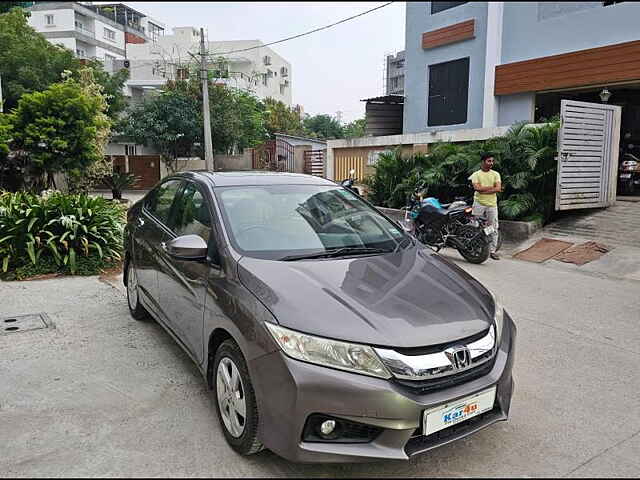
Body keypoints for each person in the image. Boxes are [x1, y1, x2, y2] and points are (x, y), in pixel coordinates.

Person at [469, 154, 502, 260]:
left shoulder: (496, 174)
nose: (491, 163)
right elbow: (477, 188)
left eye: (492, 161)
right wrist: (492, 187)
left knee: (493, 227)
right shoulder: (476, 174)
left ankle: (492, 251)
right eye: (489, 161)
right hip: (478, 203)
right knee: (475, 225)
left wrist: (484, 189)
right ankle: (474, 247)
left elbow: (498, 188)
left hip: (492, 205)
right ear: (483, 162)